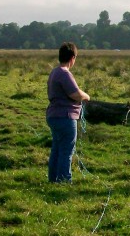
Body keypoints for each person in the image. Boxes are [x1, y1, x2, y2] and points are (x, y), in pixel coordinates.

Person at [46, 42, 90, 183]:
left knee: (57, 150)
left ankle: (53, 180)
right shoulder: (65, 73)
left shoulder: (54, 72)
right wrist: (86, 96)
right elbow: (75, 94)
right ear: (72, 57)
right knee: (66, 151)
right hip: (65, 117)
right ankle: (65, 181)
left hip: (54, 116)